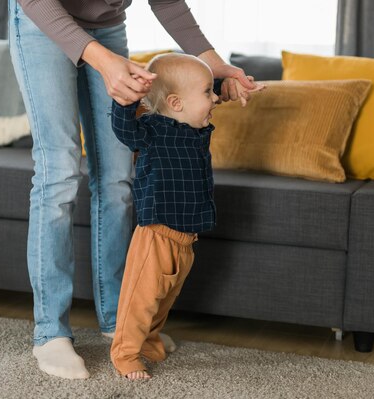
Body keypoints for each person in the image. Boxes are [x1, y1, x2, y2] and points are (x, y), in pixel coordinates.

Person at [8, 0, 259, 380]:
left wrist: (216, 66)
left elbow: (169, 4)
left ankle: (118, 319)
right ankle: (51, 332)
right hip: (43, 19)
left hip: (106, 27)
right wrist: (102, 61)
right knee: (57, 173)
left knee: (117, 178)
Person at [109, 53, 262, 380]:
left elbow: (206, 94)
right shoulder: (153, 130)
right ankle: (125, 353)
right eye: (208, 93)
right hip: (157, 232)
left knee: (165, 298)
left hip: (186, 236)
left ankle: (149, 339)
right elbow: (125, 130)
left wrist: (227, 84)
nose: (213, 99)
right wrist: (124, 103)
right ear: (176, 103)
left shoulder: (193, 126)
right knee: (143, 298)